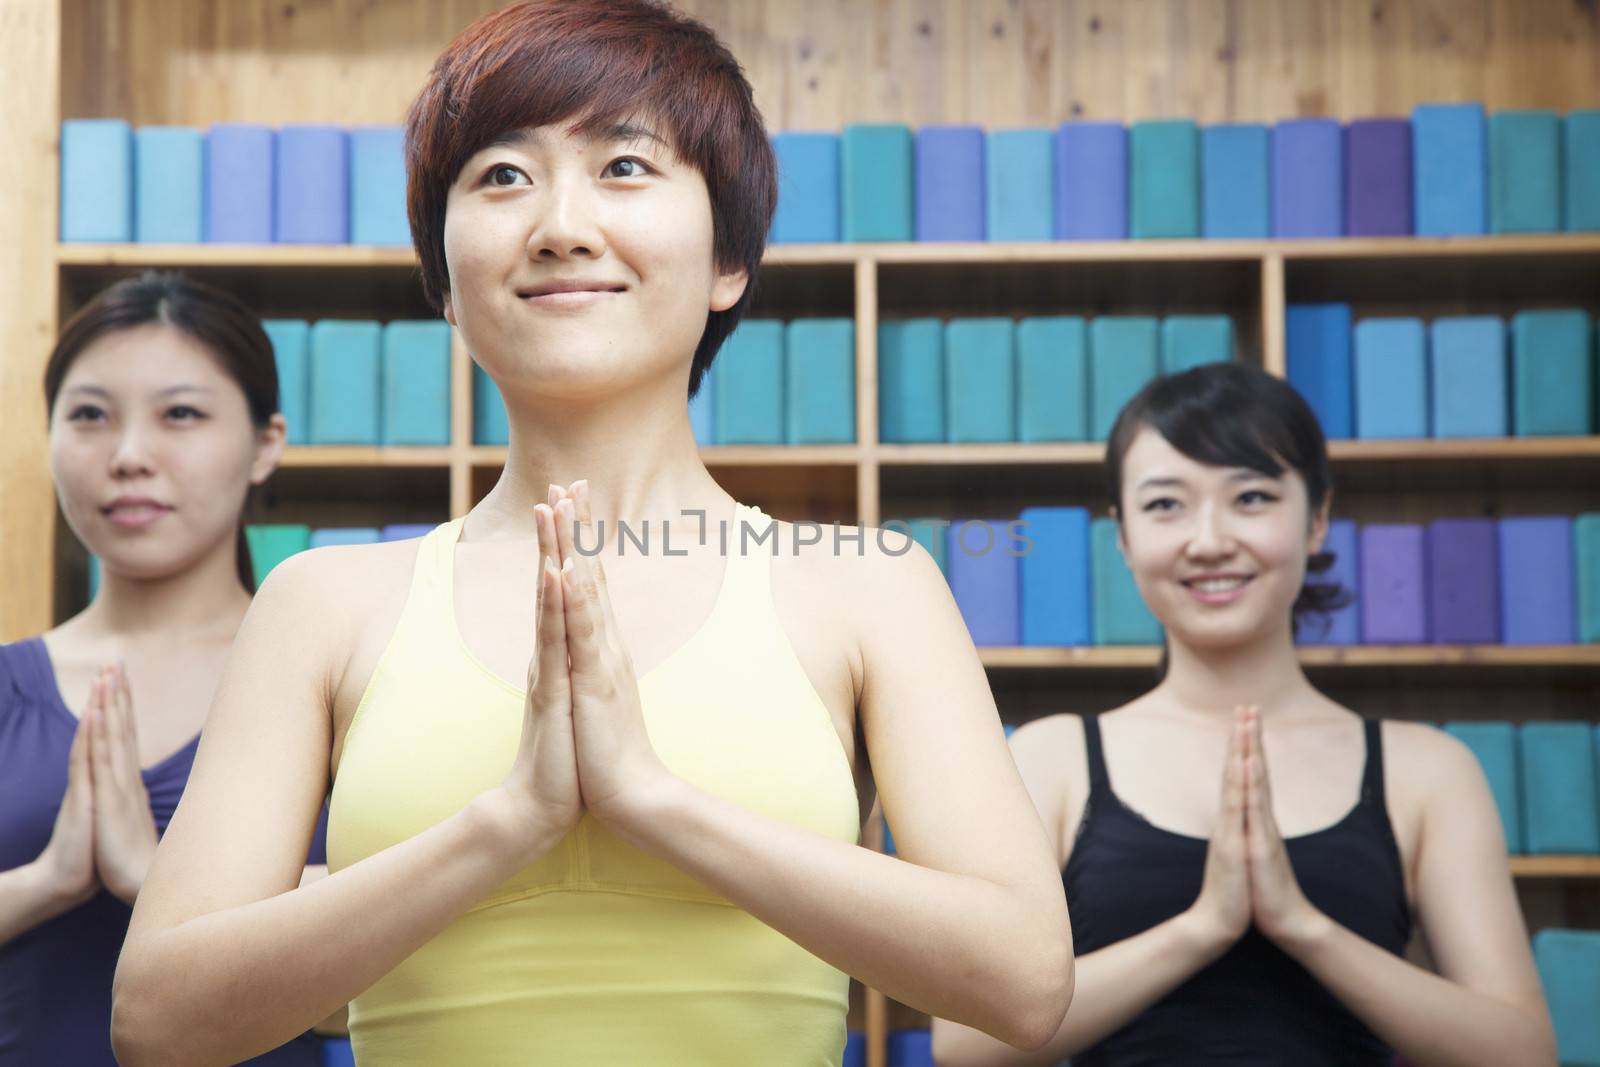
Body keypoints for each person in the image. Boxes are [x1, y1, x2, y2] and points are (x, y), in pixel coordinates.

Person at [109, 3, 1074, 1065]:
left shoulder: (866, 584)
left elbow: (1025, 983)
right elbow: (159, 1021)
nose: (560, 224)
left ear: (727, 263)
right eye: (503, 177)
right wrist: (508, 822)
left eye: (623, 166)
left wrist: (650, 801)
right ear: (444, 279)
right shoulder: (321, 604)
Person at [930, 361, 1556, 1066]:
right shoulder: (1052, 759)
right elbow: (966, 1042)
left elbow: (1521, 1051)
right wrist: (1203, 926)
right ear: (1123, 537)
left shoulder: (1428, 770)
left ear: (1318, 517)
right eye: (1166, 504)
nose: (1209, 538)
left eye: (1251, 497)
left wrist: (1300, 924)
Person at [0, 272, 324, 1065]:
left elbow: (407, 947)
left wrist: (152, 878)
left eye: (180, 414)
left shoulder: (344, 678)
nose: (130, 455)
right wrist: (49, 880)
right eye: (89, 416)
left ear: (266, 444)